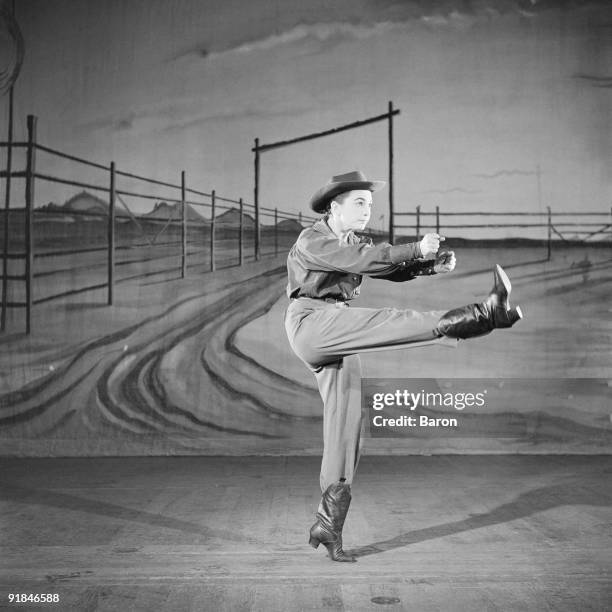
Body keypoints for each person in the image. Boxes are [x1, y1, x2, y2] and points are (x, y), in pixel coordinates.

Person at [284, 170, 523, 562]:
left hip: (338, 328)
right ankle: (482, 315)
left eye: (370, 205)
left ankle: (328, 526)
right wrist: (416, 248)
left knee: (346, 426)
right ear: (333, 206)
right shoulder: (314, 239)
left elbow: (384, 267)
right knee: (389, 320)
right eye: (359, 203)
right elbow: (361, 259)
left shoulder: (351, 240)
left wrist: (429, 265)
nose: (367, 211)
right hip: (311, 324)